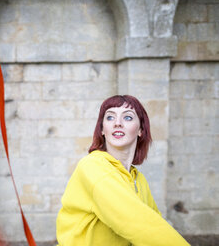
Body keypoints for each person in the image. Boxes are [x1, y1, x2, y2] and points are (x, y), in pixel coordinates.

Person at [56, 95, 190, 246]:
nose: (117, 123)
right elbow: (137, 223)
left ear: (140, 130)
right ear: (102, 129)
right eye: (110, 117)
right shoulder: (92, 166)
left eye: (127, 117)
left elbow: (156, 224)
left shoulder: (138, 179)